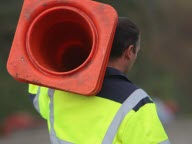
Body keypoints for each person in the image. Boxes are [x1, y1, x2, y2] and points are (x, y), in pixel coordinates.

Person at [28, 17, 170, 144]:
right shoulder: (136, 103)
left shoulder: (57, 90)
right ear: (129, 52)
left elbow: (36, 95)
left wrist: (50, 64)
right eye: (137, 52)